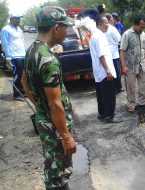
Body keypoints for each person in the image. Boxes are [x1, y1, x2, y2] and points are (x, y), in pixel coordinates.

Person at [21, 6, 77, 189]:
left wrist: (40, 107)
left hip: (45, 122)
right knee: (59, 174)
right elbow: (55, 105)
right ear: (55, 28)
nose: (67, 31)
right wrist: (65, 136)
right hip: (55, 127)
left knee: (52, 167)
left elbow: (24, 82)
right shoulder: (49, 60)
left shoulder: (32, 51)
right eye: (65, 27)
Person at [89, 15, 122, 123]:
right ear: (99, 24)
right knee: (109, 94)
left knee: (101, 94)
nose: (108, 25)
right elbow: (101, 56)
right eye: (106, 23)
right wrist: (108, 71)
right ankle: (109, 116)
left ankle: (102, 113)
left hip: (99, 71)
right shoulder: (99, 37)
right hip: (104, 71)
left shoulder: (95, 35)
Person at [120, 14, 145, 113]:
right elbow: (122, 51)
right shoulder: (127, 34)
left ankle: (143, 101)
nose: (143, 28)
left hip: (141, 63)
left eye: (144, 27)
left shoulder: (143, 34)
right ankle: (131, 104)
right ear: (135, 25)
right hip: (130, 66)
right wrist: (123, 66)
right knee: (131, 87)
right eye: (141, 26)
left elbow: (144, 49)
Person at [1, 13, 26, 101]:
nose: (19, 20)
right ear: (11, 19)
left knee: (23, 75)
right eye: (16, 18)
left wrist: (25, 52)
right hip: (15, 56)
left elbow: (22, 42)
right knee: (18, 74)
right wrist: (8, 57)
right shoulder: (5, 29)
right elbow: (5, 44)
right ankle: (16, 94)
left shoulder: (19, 29)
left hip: (22, 55)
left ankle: (22, 91)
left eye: (19, 18)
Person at [105, 13, 123, 94]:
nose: (113, 20)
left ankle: (111, 88)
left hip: (105, 54)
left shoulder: (101, 29)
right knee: (117, 71)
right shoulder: (112, 28)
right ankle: (118, 88)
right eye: (112, 18)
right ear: (109, 19)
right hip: (114, 54)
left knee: (109, 72)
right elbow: (119, 39)